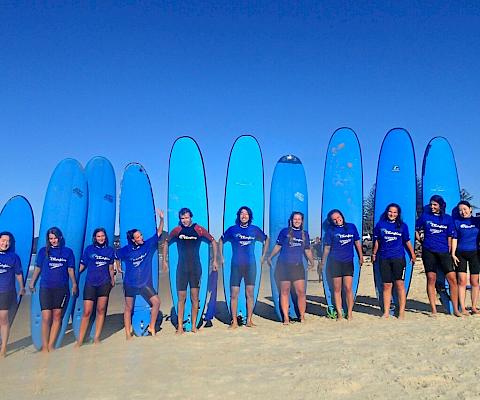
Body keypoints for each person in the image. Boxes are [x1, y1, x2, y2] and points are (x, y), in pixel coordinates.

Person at [162, 208, 218, 334]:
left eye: (187, 217)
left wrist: (215, 260)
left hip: (195, 268)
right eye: (182, 218)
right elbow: (166, 242)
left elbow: (213, 241)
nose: (185, 220)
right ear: (180, 219)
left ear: (191, 217)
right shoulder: (177, 230)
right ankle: (180, 326)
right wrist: (164, 260)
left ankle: (193, 325)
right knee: (181, 298)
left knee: (194, 298)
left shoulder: (198, 229)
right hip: (181, 269)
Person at [116, 210, 164, 339]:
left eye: (141, 235)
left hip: (144, 283)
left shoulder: (147, 245)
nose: (141, 237)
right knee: (128, 308)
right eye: (138, 237)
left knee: (157, 303)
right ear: (133, 240)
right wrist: (118, 266)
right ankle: (128, 333)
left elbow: (158, 233)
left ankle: (152, 327)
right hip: (130, 283)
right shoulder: (126, 250)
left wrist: (162, 219)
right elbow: (115, 255)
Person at [219, 206, 269, 328]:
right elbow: (220, 241)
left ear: (249, 216)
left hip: (251, 265)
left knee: (250, 293)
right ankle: (234, 321)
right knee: (234, 294)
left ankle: (249, 320)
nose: (244, 216)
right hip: (236, 265)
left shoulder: (255, 230)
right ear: (239, 216)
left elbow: (266, 240)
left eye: (246, 214)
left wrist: (264, 256)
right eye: (241, 213)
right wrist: (221, 256)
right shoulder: (232, 230)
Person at [29, 227, 77, 352]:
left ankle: (51, 344)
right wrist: (32, 282)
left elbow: (70, 270)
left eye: (55, 238)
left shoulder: (68, 252)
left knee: (57, 316)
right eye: (51, 238)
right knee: (46, 317)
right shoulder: (43, 251)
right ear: (48, 240)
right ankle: (45, 346)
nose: (53, 240)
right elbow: (38, 268)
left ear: (60, 237)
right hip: (46, 288)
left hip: (61, 289)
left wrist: (74, 284)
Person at [415, 195, 461, 316]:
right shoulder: (425, 217)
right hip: (428, 251)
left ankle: (456, 309)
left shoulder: (447, 219)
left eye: (435, 205)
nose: (432, 206)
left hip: (444, 252)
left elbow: (450, 236)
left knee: (452, 279)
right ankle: (433, 310)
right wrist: (421, 240)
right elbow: (416, 229)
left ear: (440, 206)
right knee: (431, 279)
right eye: (431, 204)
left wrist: (451, 252)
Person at [267, 211, 314, 325]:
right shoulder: (285, 232)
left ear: (302, 221)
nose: (297, 221)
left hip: (298, 267)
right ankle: (286, 318)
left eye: (299, 219)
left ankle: (302, 316)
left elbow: (307, 249)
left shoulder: (305, 234)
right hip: (283, 266)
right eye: (295, 219)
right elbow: (278, 246)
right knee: (284, 292)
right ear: (291, 220)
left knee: (301, 292)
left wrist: (312, 261)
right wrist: (270, 257)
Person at [372, 203, 416, 319]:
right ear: (387, 212)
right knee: (386, 285)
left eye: (395, 212)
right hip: (384, 258)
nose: (392, 214)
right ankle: (386, 312)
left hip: (398, 258)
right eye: (390, 212)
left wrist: (412, 254)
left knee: (399, 284)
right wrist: (374, 254)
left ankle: (401, 312)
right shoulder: (380, 225)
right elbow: (377, 242)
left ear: (398, 214)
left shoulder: (402, 226)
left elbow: (407, 241)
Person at [75, 228, 116, 347]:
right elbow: (83, 265)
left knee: (101, 310)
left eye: (102, 236)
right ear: (95, 238)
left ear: (105, 237)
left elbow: (110, 267)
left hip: (104, 283)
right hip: (90, 284)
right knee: (87, 312)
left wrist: (112, 280)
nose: (101, 238)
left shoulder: (109, 250)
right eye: (98, 236)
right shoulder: (89, 249)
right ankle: (80, 341)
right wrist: (73, 276)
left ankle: (97, 337)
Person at [320, 209, 363, 320]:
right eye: (334, 219)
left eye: (338, 217)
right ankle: (339, 313)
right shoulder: (330, 231)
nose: (337, 220)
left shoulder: (351, 227)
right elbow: (327, 248)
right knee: (337, 289)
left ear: (342, 216)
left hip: (348, 261)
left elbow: (357, 242)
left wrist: (361, 256)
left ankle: (349, 312)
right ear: (331, 221)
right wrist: (322, 262)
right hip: (335, 262)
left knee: (348, 288)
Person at [452, 200, 480, 315]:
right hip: (460, 253)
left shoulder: (477, 221)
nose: (463, 212)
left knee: (474, 281)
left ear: (470, 209)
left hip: (475, 253)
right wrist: (453, 253)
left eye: (465, 209)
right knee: (462, 281)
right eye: (460, 210)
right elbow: (454, 238)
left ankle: (473, 307)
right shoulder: (457, 222)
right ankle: (462, 308)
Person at [0, 232, 25, 357]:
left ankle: (3, 347)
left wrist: (22, 287)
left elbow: (18, 273)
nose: (5, 243)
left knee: (3, 318)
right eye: (3, 240)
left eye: (7, 241)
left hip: (6, 291)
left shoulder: (14, 257)